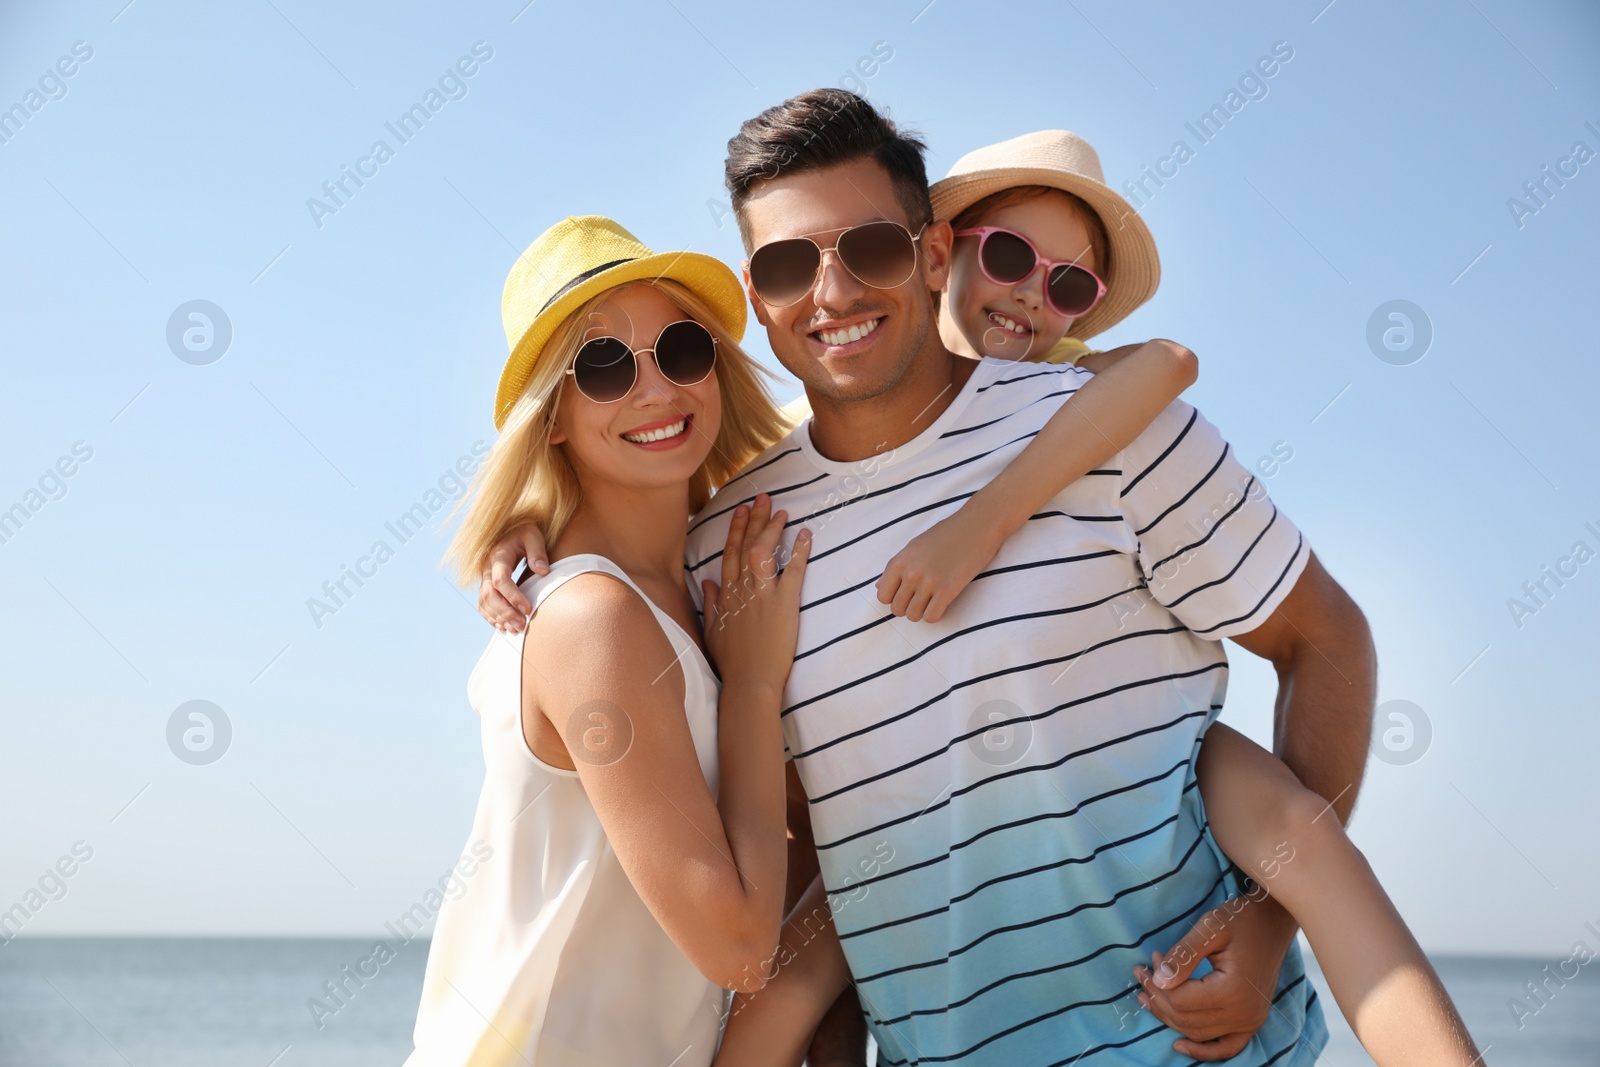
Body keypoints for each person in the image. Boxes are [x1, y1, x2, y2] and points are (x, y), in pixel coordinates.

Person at [478, 95, 1480, 1065]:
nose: (830, 292)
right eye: (790, 263)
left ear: (926, 254)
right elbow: (803, 864)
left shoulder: (1119, 432)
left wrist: (1264, 918)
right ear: (757, 295)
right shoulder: (733, 546)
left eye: (867, 248)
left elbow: (1323, 637)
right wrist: (542, 522)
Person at [403, 215, 812, 1066]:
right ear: (551, 416)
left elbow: (884, 410)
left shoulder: (703, 581)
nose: (657, 390)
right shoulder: (595, 619)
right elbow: (740, 949)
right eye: (604, 368)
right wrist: (753, 689)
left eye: (682, 351)